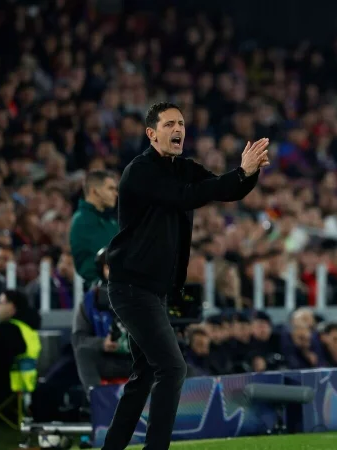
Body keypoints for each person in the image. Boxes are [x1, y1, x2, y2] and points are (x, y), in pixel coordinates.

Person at [102, 102, 269, 450]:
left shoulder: (183, 167)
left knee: (146, 373)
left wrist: (248, 174)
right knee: (172, 368)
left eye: (180, 123)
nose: (178, 129)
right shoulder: (141, 171)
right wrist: (239, 173)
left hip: (152, 289)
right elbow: (184, 197)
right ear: (151, 134)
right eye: (169, 124)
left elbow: (223, 189)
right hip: (131, 286)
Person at [71, 248, 132, 397]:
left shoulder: (146, 296)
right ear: (101, 270)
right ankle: (97, 401)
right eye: (110, 267)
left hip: (141, 361)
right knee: (83, 353)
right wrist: (102, 343)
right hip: (108, 360)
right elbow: (78, 339)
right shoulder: (90, 300)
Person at [70, 170, 119, 289]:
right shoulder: (82, 221)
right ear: (94, 191)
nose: (116, 193)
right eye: (110, 188)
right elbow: (87, 264)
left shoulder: (111, 223)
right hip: (97, 292)